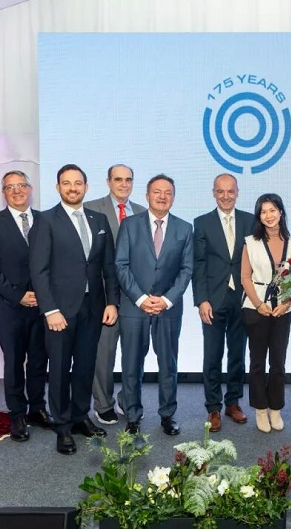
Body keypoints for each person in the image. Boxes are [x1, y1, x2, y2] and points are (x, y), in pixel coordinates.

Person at [29, 164, 120, 455]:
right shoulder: (45, 220)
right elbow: (39, 270)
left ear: (86, 187)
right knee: (58, 369)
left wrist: (112, 302)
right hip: (59, 312)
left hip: (93, 308)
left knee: (84, 366)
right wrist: (49, 310)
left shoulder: (98, 219)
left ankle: (81, 416)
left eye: (78, 183)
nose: (72, 188)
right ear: (58, 188)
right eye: (66, 183)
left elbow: (108, 266)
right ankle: (63, 426)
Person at [0, 171, 52, 442]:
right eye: (10, 187)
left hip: (44, 307)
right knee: (14, 363)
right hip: (9, 307)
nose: (17, 191)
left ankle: (37, 408)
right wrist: (18, 295)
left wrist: (47, 296)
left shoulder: (46, 221)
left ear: (30, 189)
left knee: (40, 361)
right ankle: (17, 414)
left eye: (21, 185)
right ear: (3, 192)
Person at [115, 174, 193, 436]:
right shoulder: (129, 225)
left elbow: (186, 270)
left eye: (168, 193)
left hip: (168, 308)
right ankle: (133, 416)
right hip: (133, 306)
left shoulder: (184, 228)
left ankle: (167, 415)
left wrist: (167, 300)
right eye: (157, 192)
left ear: (173, 197)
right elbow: (121, 265)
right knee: (131, 364)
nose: (162, 197)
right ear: (147, 195)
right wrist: (140, 298)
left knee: (168, 364)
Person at [84, 164, 146, 425]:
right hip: (104, 296)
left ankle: (126, 398)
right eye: (118, 179)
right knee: (104, 353)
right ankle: (103, 403)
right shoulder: (90, 209)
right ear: (108, 181)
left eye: (128, 179)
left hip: (135, 297)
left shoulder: (142, 212)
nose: (123, 184)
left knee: (135, 354)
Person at [193, 173, 254, 432]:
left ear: (237, 192)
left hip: (242, 297)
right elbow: (199, 264)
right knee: (212, 355)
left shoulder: (250, 221)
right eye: (221, 191)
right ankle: (213, 408)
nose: (226, 196)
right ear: (213, 193)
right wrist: (201, 300)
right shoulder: (202, 223)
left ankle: (233, 403)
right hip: (213, 299)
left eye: (230, 191)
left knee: (238, 354)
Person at [240, 194, 291, 433]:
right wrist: (258, 303)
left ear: (281, 212)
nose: (269, 215)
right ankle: (260, 409)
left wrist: (288, 302)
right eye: (263, 212)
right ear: (259, 216)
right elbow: (244, 277)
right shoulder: (250, 242)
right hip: (256, 308)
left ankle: (275, 408)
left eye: (272, 210)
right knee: (257, 362)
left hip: (282, 308)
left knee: (278, 362)